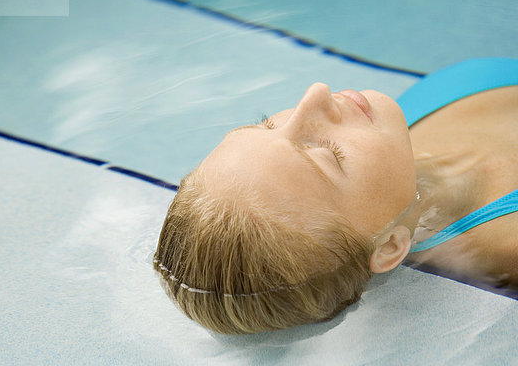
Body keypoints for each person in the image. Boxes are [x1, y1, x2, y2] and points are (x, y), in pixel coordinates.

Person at [153, 57, 518, 334]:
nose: (315, 95)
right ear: (390, 245)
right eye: (328, 155)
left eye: (269, 122)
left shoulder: (390, 131)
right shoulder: (509, 245)